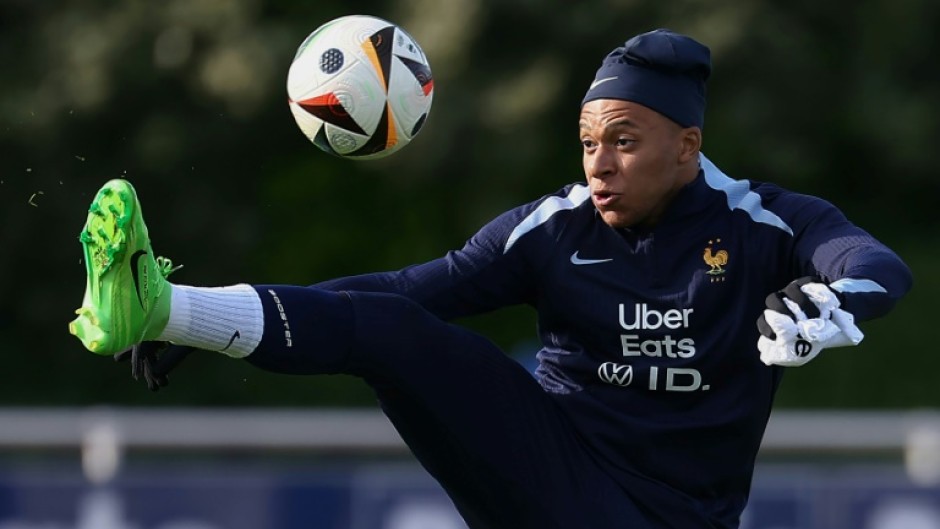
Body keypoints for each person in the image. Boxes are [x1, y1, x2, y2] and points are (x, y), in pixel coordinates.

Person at [68, 28, 912, 529]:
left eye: (623, 139)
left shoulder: (762, 221)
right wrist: (196, 320)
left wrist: (832, 299)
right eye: (587, 141)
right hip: (547, 467)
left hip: (669, 517)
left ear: (688, 145)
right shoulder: (553, 227)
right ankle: (157, 301)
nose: (599, 163)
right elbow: (399, 295)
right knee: (396, 331)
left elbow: (874, 263)